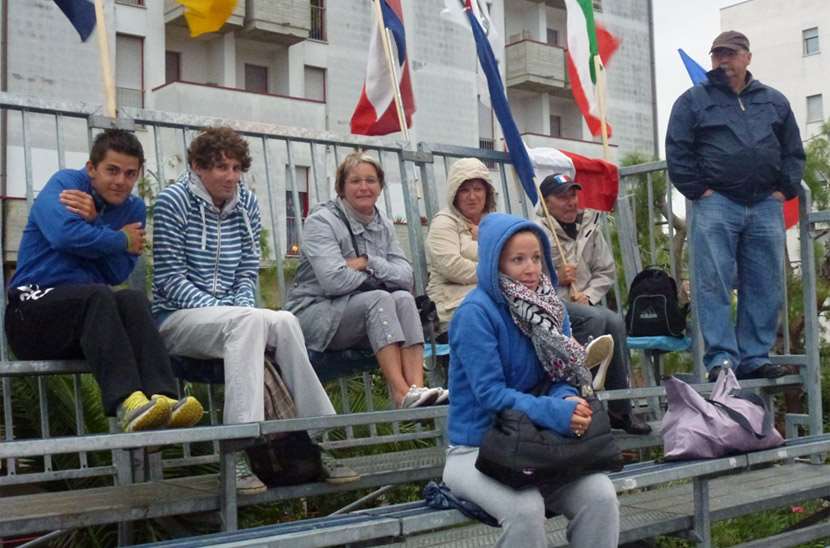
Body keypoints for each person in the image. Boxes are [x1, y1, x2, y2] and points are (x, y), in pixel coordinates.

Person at [152, 127, 355, 494]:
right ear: (197, 167)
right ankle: (236, 450)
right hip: (175, 319)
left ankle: (315, 434)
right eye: (220, 168)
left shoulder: (247, 202)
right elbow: (169, 278)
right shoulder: (172, 201)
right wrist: (227, 312)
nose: (230, 176)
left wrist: (239, 309)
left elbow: (248, 269)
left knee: (285, 320)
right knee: (249, 322)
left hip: (232, 320)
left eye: (235, 168)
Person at [5, 129, 204, 433]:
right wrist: (121, 238)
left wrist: (96, 222)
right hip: (31, 315)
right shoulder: (66, 184)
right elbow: (64, 236)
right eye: (112, 170)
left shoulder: (133, 209)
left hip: (83, 326)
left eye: (129, 173)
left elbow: (116, 272)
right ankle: (127, 404)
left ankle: (163, 399)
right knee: (98, 295)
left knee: (132, 299)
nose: (120, 181)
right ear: (91, 169)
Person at [443, 212, 619, 548]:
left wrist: (567, 398)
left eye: (537, 258)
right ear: (495, 263)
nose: (531, 268)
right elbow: (490, 395)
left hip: (539, 446)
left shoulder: (553, 310)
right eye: (518, 259)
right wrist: (556, 412)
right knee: (525, 509)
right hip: (475, 450)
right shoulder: (474, 314)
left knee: (601, 496)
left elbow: (562, 376)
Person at [666, 30, 805, 381]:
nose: (723, 60)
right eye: (717, 55)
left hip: (765, 205)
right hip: (717, 204)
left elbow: (792, 150)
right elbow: (678, 150)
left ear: (747, 57)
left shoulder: (774, 101)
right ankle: (721, 360)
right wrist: (699, 190)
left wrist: (784, 189)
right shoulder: (693, 101)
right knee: (713, 282)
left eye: (730, 53)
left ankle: (755, 356)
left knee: (764, 282)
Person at [285, 151, 446, 409]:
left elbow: (406, 278)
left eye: (370, 180)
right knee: (380, 298)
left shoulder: (383, 223)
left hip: (363, 316)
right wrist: (379, 275)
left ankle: (418, 390)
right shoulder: (321, 221)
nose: (363, 187)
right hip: (313, 315)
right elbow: (334, 281)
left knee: (404, 299)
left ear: (380, 187)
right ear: (341, 187)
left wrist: (369, 262)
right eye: (355, 181)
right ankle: (400, 393)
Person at [536, 173, 652, 435]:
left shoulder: (590, 226)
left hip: (583, 302)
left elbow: (605, 271)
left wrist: (588, 294)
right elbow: (529, 275)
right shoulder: (537, 232)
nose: (570, 202)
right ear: (545, 202)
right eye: (562, 196)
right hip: (551, 304)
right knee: (597, 320)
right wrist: (557, 276)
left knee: (614, 321)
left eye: (573, 195)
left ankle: (621, 409)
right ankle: (586, 403)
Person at [425, 158, 497, 336]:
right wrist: (494, 273)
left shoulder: (494, 221)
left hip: (488, 295)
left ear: (487, 192)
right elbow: (452, 267)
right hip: (450, 303)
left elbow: (510, 256)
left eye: (478, 189)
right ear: (454, 193)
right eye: (464, 190)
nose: (472, 196)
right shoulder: (443, 222)